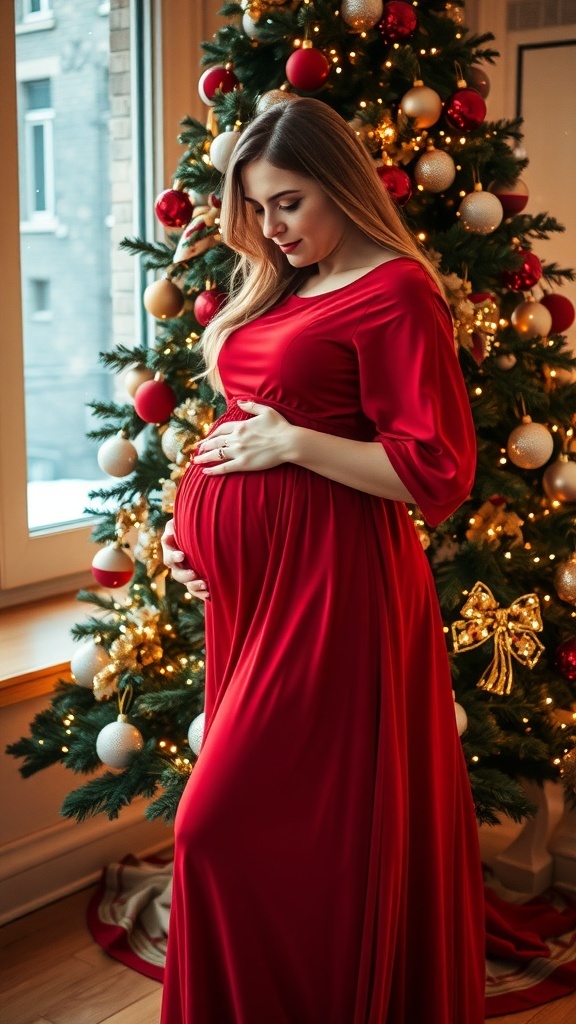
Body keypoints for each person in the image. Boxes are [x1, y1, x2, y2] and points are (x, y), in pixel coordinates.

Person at [159, 97, 485, 1024]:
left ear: (341, 184)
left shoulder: (396, 291)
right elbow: (238, 427)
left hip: (336, 594)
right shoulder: (280, 286)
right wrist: (198, 549)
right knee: (304, 841)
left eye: (290, 202)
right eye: (258, 209)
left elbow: (436, 468)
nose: (271, 228)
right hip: (255, 596)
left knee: (214, 828)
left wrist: (296, 446)